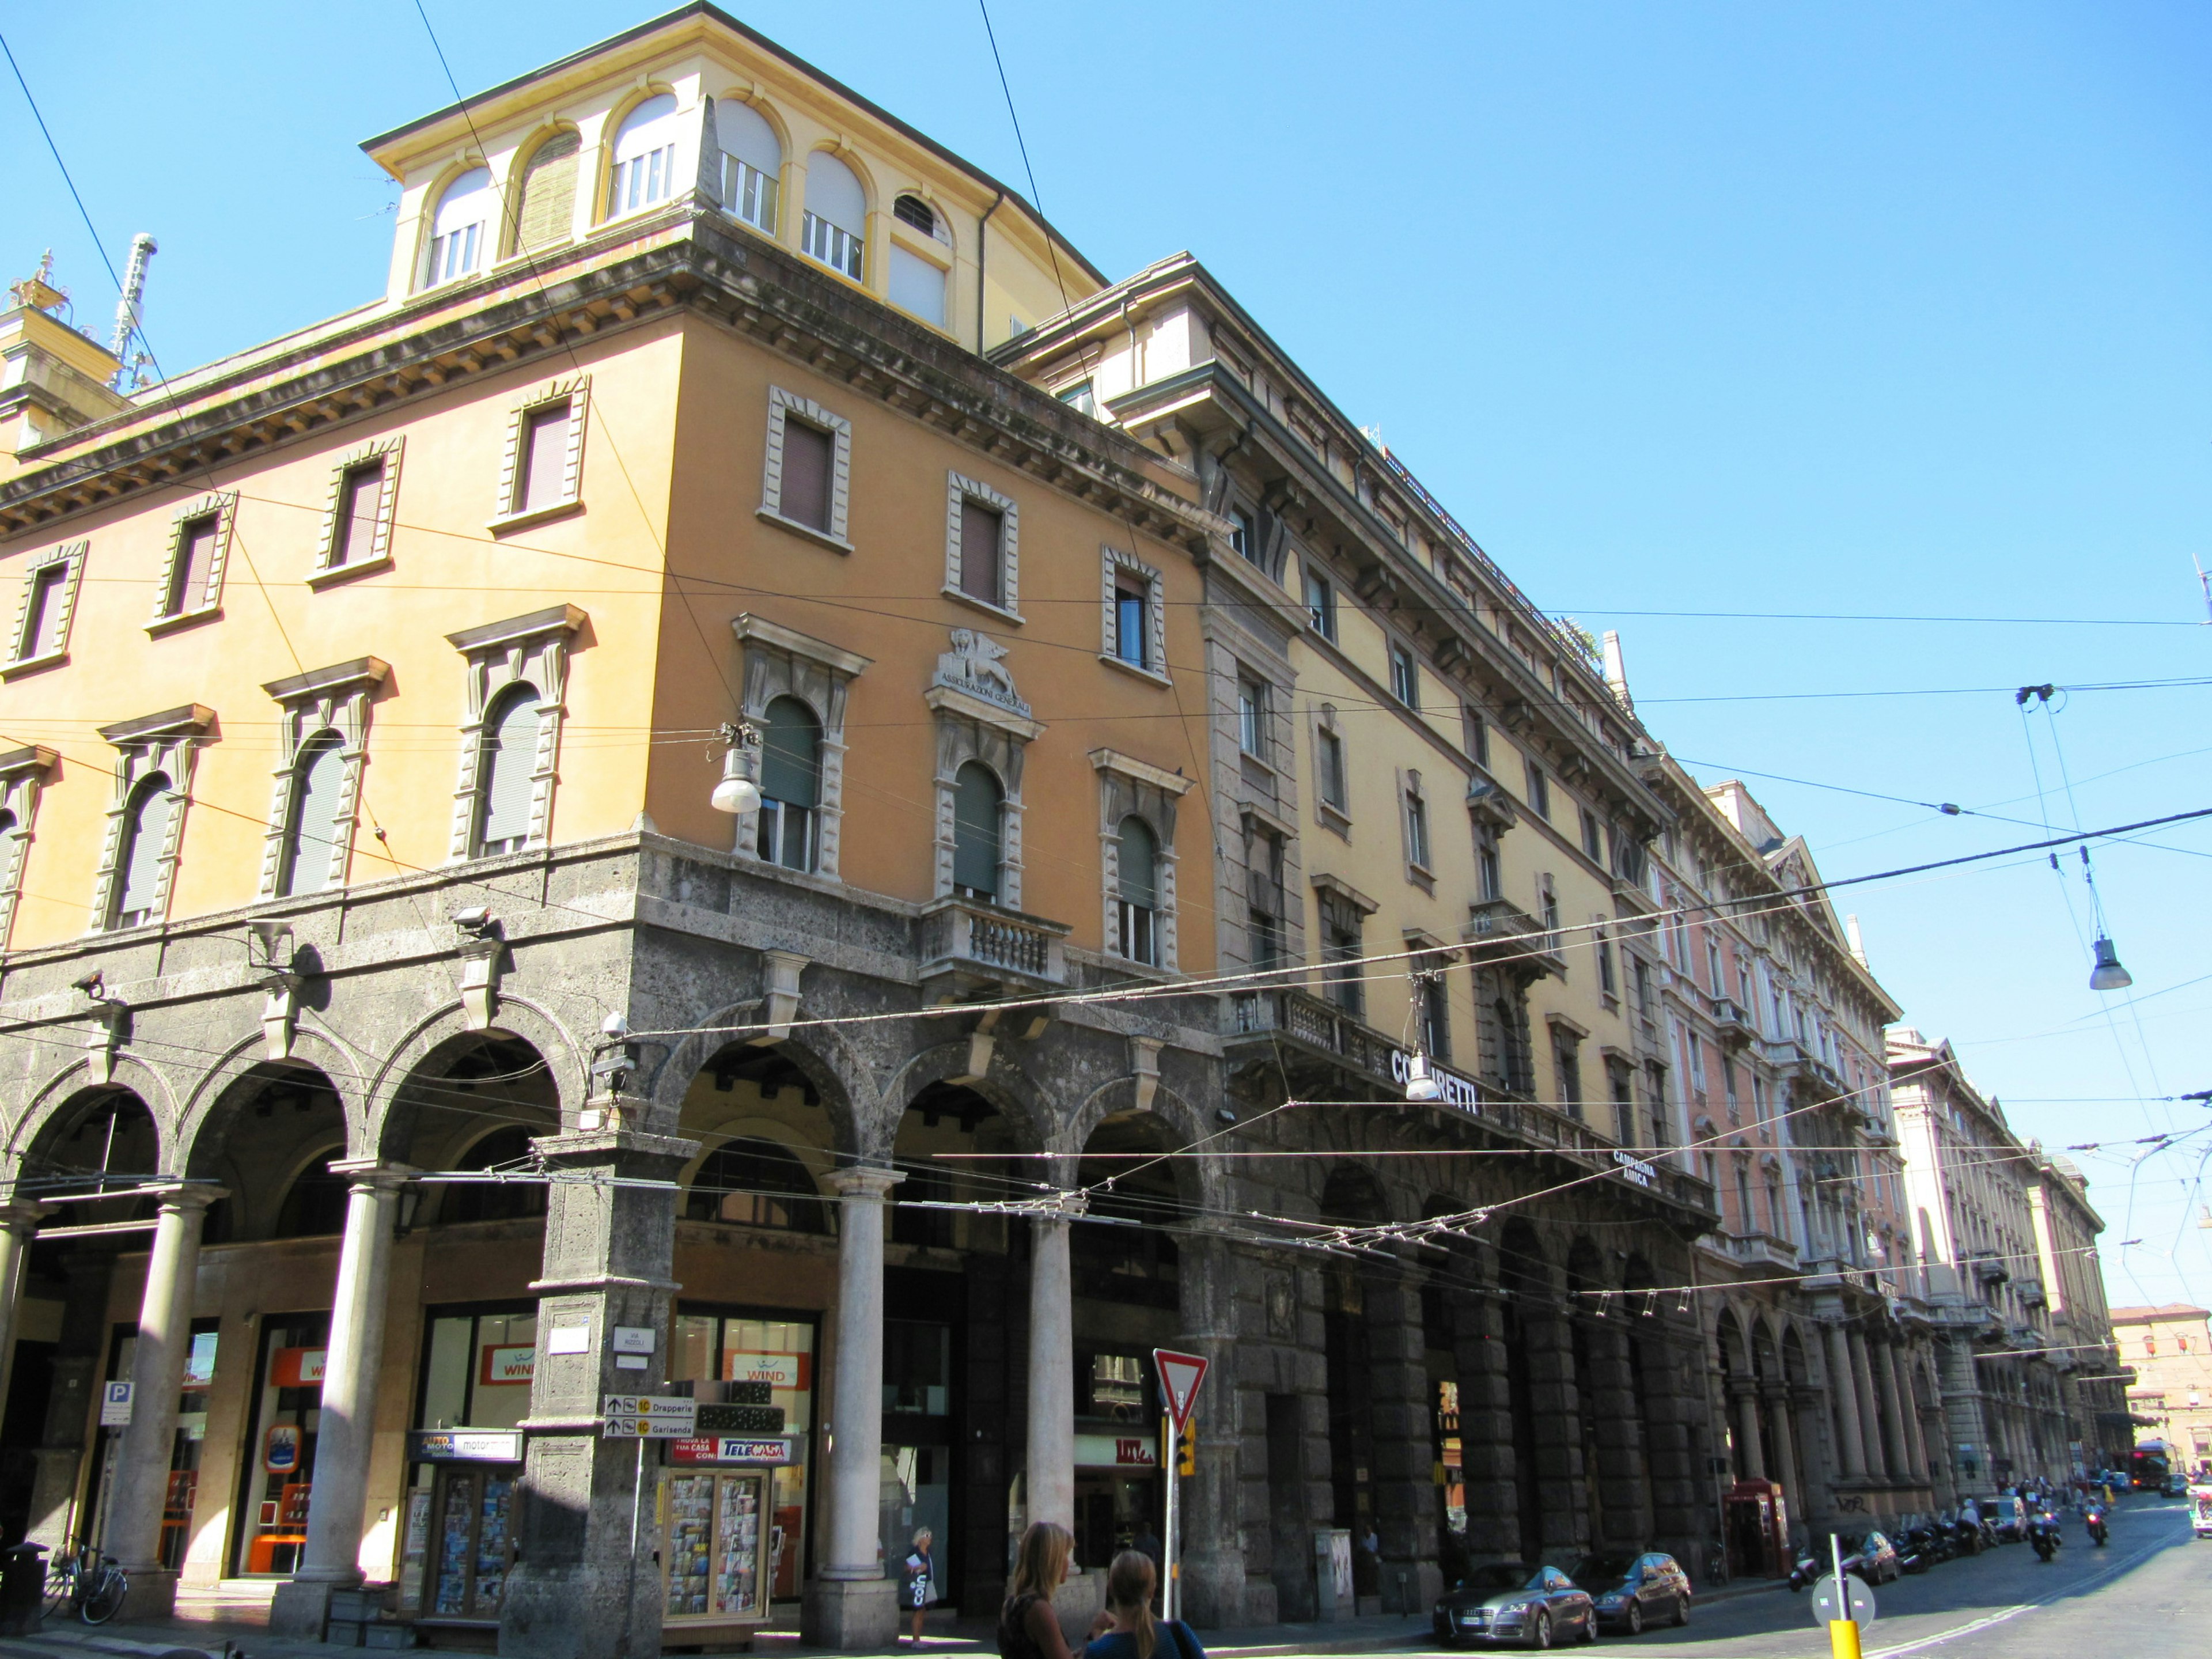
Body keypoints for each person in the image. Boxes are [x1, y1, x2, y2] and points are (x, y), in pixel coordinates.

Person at [1084, 1550, 1206, 1659]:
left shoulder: (1098, 1651)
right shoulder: (1179, 1634)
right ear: (1152, 1591)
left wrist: (1092, 1637)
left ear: (1110, 1589)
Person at [1000, 1522, 1082, 1659]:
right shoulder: (1039, 1609)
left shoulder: (1010, 1604)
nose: (1068, 1563)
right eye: (1066, 1555)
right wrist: (1094, 1635)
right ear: (1052, 1560)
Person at [904, 1527, 935, 1649]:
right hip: (918, 1584)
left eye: (930, 1536)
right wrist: (917, 1567)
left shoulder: (928, 1552)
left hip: (927, 1583)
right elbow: (906, 1568)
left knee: (923, 1611)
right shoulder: (915, 1552)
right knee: (918, 1611)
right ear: (920, 1538)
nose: (929, 1538)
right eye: (926, 1536)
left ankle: (919, 1639)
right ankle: (915, 1640)